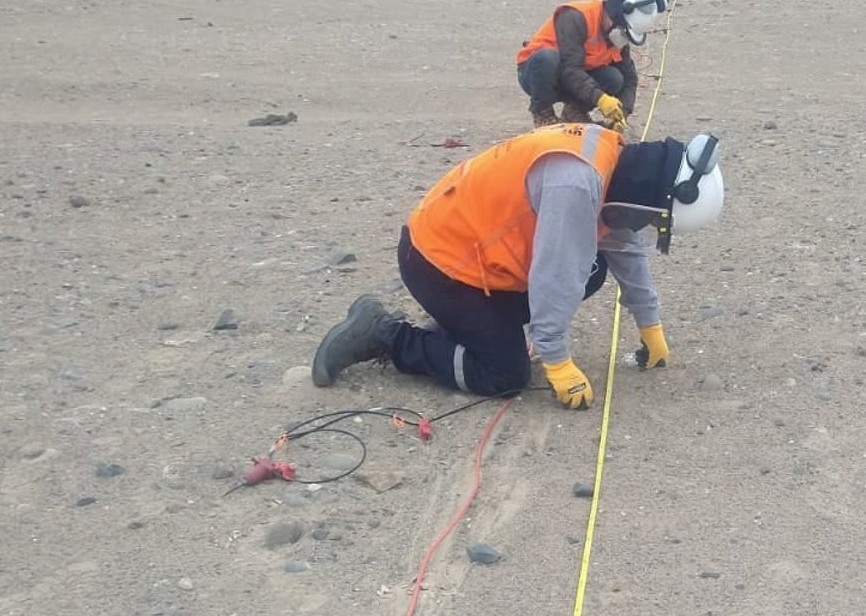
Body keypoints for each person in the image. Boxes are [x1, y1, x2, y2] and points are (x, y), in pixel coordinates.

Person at [311, 123, 726, 409]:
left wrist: (648, 322)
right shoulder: (576, 182)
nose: (647, 226)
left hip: (470, 252)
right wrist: (556, 358)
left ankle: (466, 328)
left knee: (593, 268)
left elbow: (624, 243)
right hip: (439, 263)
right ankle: (383, 333)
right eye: (653, 218)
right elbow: (557, 273)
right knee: (504, 375)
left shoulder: (614, 158)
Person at [515, 0, 667, 129]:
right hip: (537, 75)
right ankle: (543, 114)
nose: (624, 39)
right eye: (625, 33)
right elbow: (570, 69)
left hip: (572, 81)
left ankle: (574, 113)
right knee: (547, 58)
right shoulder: (575, 17)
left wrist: (623, 112)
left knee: (614, 78)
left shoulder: (616, 36)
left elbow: (629, 78)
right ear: (614, 17)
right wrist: (600, 99)